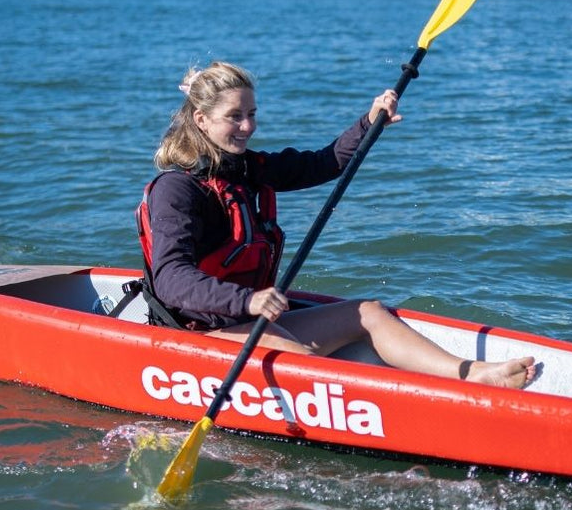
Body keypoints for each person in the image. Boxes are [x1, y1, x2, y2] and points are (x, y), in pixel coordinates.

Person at [138, 61, 536, 390]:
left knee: (369, 312)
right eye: (234, 117)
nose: (247, 127)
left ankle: (472, 373)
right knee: (313, 370)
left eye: (252, 114)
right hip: (196, 335)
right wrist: (249, 301)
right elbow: (172, 278)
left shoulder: (247, 169)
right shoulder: (176, 190)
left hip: (246, 320)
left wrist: (369, 122)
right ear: (201, 120)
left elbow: (323, 163)